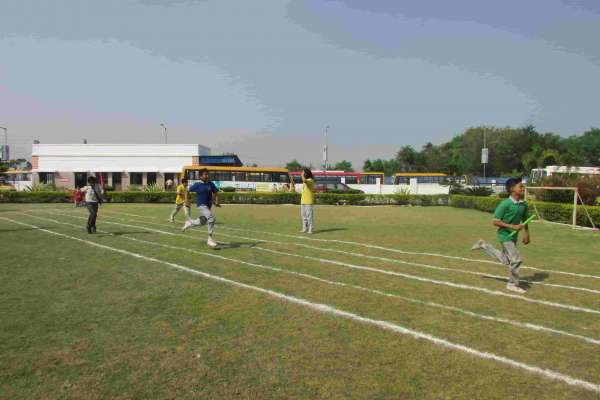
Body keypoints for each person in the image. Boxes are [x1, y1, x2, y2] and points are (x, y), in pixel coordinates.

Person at [471, 177, 531, 294]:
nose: (523, 188)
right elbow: (495, 221)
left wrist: (527, 234)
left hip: (514, 236)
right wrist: (513, 227)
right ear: (512, 189)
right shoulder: (505, 204)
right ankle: (512, 284)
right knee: (517, 259)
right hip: (504, 235)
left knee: (505, 260)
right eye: (520, 186)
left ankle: (483, 245)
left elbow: (525, 221)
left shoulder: (523, 205)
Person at [182, 168, 220, 248]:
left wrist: (216, 202)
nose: (207, 176)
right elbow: (187, 190)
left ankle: (189, 223)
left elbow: (216, 192)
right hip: (201, 206)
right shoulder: (197, 184)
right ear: (200, 176)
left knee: (202, 222)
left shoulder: (210, 184)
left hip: (208, 206)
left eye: (207, 174)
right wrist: (186, 200)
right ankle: (209, 239)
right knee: (211, 218)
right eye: (205, 174)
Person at [300, 168, 315, 234]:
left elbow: (304, 180)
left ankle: (310, 229)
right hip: (303, 200)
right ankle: (304, 228)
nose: (302, 173)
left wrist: (302, 175)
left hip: (308, 201)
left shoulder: (310, 180)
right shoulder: (304, 181)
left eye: (303, 172)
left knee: (309, 216)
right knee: (303, 216)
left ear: (306, 173)